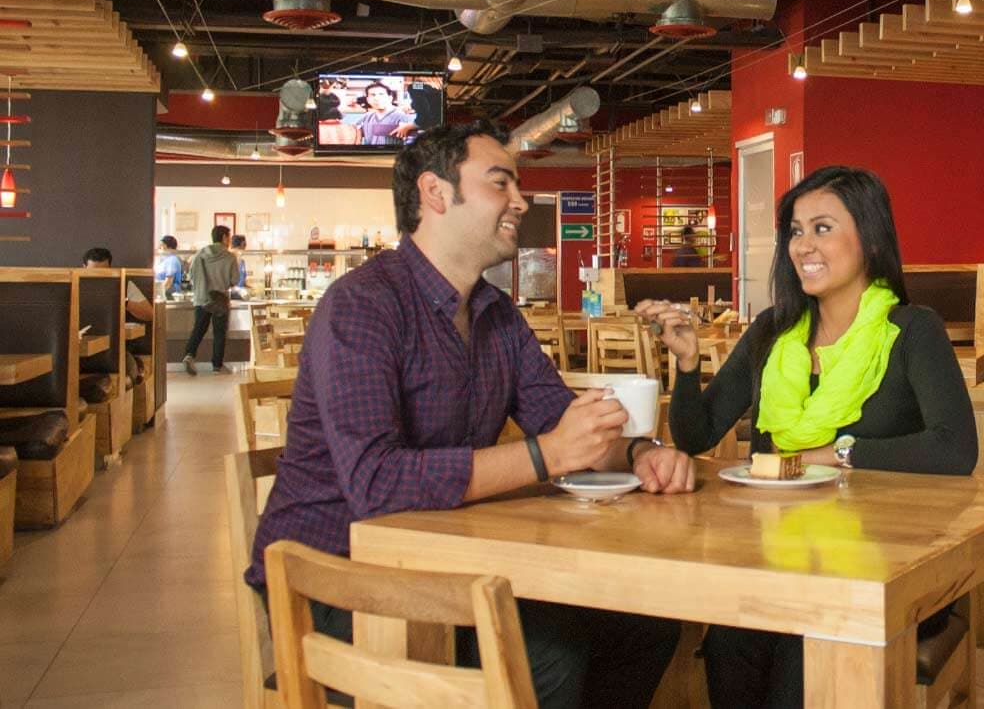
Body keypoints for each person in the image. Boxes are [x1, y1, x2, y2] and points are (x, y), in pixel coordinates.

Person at [246, 119, 690, 709]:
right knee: (551, 662)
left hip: (447, 565)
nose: (521, 200)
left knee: (647, 626)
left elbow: (559, 417)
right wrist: (546, 454)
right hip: (332, 578)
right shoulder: (361, 306)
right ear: (435, 193)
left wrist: (640, 453)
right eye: (500, 183)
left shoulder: (496, 314)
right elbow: (377, 484)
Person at [635, 165, 978, 709]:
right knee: (728, 642)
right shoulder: (774, 331)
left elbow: (955, 450)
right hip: (780, 561)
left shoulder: (912, 330)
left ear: (868, 238)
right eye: (795, 231)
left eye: (822, 228)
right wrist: (686, 362)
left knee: (801, 658)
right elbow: (697, 434)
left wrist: (834, 453)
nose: (802, 246)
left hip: (885, 567)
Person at [181, 225, 239, 375]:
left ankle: (189, 355)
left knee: (199, 329)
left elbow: (191, 274)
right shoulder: (230, 257)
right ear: (225, 238)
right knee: (219, 332)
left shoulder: (200, 254)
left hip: (202, 296)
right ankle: (217, 366)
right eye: (229, 237)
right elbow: (234, 280)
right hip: (219, 297)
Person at [82, 247, 153, 323]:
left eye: (103, 272)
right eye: (93, 272)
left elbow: (150, 315)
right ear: (84, 267)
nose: (98, 276)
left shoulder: (122, 284)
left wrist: (122, 301)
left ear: (110, 268)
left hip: (113, 332)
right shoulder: (75, 285)